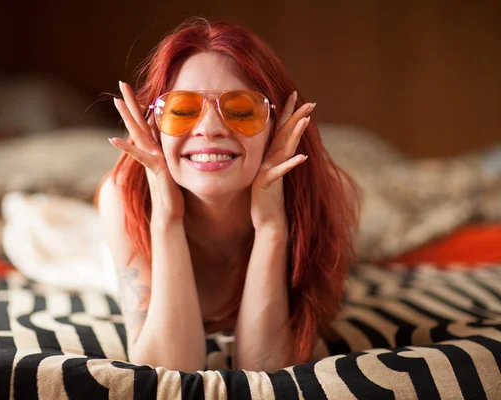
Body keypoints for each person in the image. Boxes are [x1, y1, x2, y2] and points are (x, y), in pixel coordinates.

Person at [96, 17, 361, 373]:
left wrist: (271, 227)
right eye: (181, 110)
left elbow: (265, 374)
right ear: (153, 127)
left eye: (240, 110)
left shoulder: (328, 197)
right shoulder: (123, 197)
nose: (209, 129)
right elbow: (167, 374)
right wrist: (166, 218)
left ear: (278, 124)